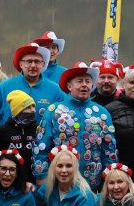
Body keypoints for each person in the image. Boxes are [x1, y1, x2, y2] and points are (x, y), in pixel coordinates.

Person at [33, 62, 118, 192]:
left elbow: (109, 150)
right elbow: (41, 146)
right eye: (79, 81)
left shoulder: (102, 113)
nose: (84, 84)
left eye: (87, 81)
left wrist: (111, 177)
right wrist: (41, 176)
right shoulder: (53, 111)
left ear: (92, 86)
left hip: (92, 183)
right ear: (69, 86)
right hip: (59, 182)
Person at [0, 42, 62, 125]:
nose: (33, 65)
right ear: (21, 64)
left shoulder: (55, 90)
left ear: (43, 65)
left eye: (37, 61)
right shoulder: (4, 87)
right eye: (29, 61)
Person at [0, 91, 38, 185]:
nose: (33, 110)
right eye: (28, 107)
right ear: (18, 111)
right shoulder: (2, 131)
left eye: (33, 106)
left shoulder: (38, 130)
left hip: (34, 183)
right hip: (9, 184)